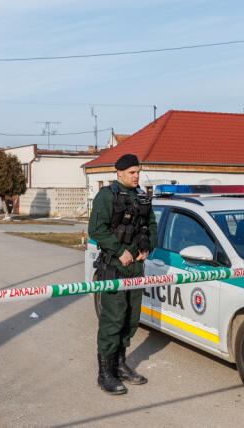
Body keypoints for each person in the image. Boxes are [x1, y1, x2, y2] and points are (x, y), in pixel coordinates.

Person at [88, 153, 157, 395]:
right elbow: (96, 229)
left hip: (136, 269)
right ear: (119, 173)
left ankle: (120, 364)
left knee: (130, 318)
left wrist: (147, 248)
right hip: (114, 268)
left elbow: (151, 225)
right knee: (113, 319)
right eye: (132, 172)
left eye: (138, 171)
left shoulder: (141, 197)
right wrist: (120, 251)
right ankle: (105, 373)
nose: (137, 176)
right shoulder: (107, 196)